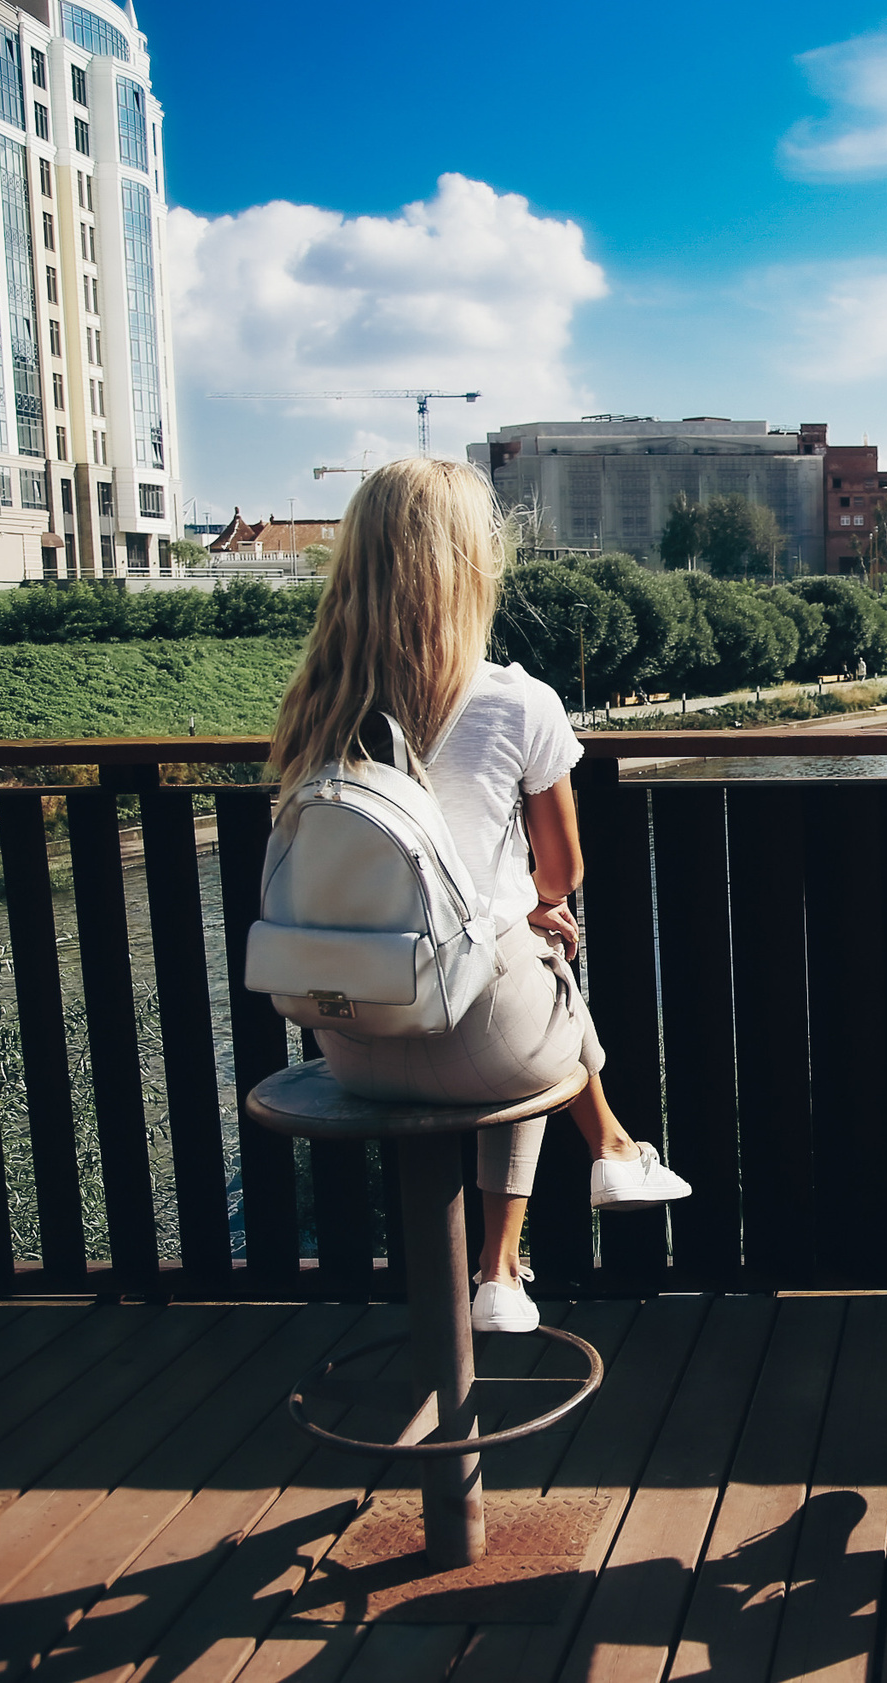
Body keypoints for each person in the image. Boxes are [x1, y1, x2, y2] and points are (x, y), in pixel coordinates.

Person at [266, 458, 689, 1334]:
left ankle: (521, 1247)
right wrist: (527, 907)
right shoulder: (517, 701)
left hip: (351, 1037)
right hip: (488, 1044)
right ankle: (546, 1217)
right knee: (537, 955)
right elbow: (562, 875)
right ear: (471, 564)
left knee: (514, 963)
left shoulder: (314, 706)